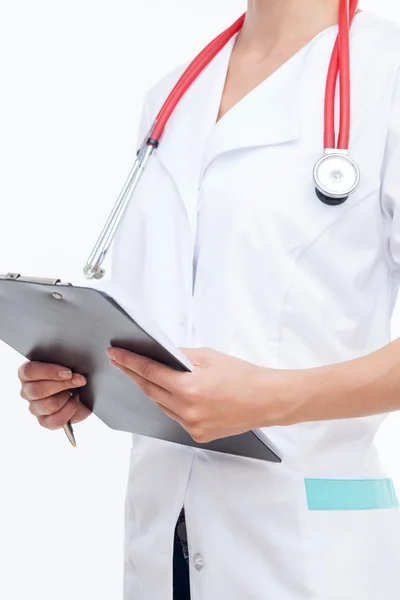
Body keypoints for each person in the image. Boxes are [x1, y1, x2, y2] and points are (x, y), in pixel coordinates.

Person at [17, 1, 400, 598]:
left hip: (305, 551)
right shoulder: (172, 96)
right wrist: (86, 378)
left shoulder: (389, 75)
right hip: (163, 540)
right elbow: (163, 317)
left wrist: (273, 398)